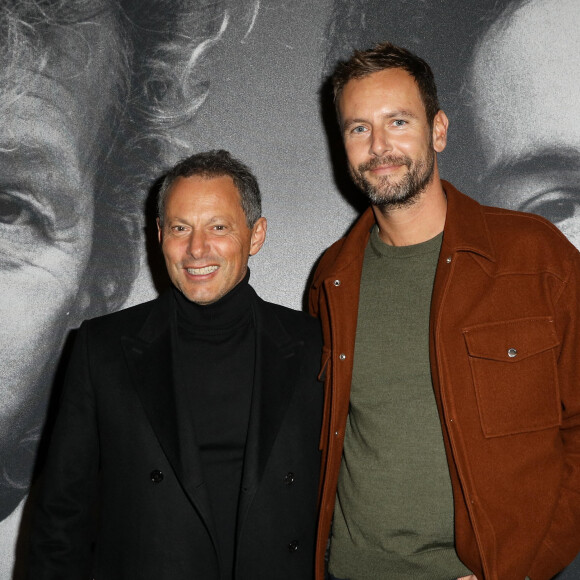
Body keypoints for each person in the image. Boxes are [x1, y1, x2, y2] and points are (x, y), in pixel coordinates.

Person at [309, 42, 580, 580]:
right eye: (358, 128)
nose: (379, 146)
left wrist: (522, 569)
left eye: (398, 121)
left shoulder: (538, 255)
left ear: (438, 130)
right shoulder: (330, 280)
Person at [27, 150, 323, 579]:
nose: (196, 249)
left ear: (256, 235)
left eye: (218, 227)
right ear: (160, 234)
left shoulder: (315, 344)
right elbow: (60, 517)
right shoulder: (102, 348)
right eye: (180, 228)